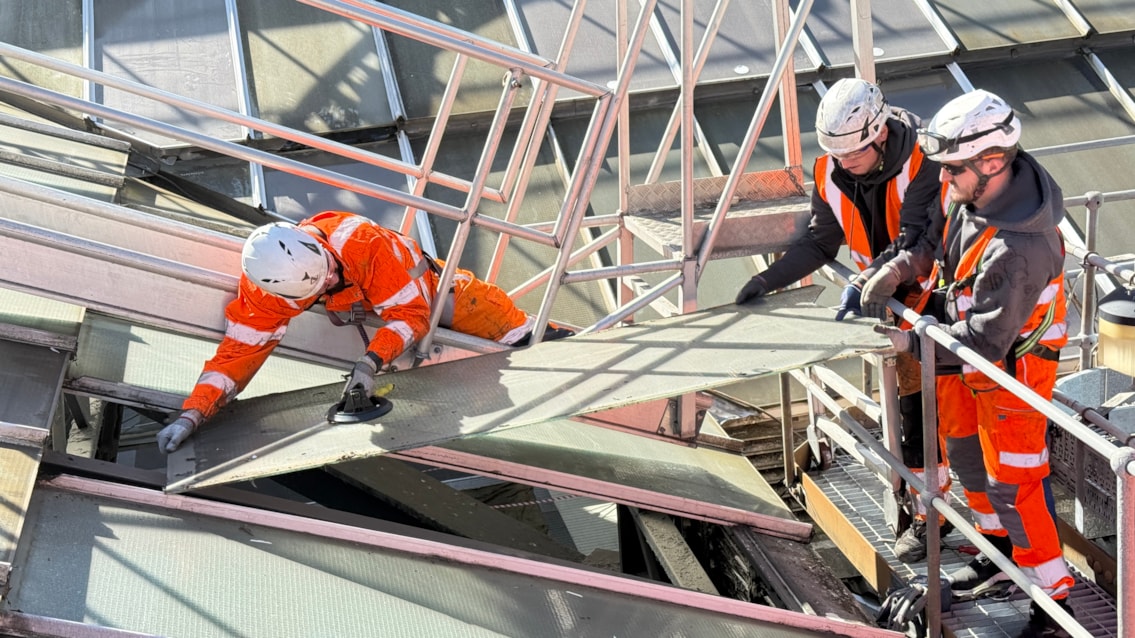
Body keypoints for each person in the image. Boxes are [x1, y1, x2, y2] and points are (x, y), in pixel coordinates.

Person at [864, 89, 1075, 637]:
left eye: (952, 169)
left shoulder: (1019, 247)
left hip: (1012, 379)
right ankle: (997, 551)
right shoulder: (977, 197)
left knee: (1016, 487)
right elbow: (941, 249)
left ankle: (1052, 606)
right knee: (966, 455)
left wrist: (908, 345)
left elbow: (986, 339)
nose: (943, 180)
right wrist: (901, 268)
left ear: (991, 162)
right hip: (974, 365)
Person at [734, 77, 947, 562]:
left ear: (881, 135)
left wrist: (870, 278)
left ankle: (928, 517)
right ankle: (924, 508)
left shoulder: (922, 162)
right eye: (837, 155)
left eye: (853, 155)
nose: (844, 164)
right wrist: (768, 280)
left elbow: (918, 241)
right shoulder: (830, 169)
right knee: (913, 410)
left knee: (925, 415)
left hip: (931, 300)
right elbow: (820, 240)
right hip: (888, 302)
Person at [157, 210, 573, 453]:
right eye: (320, 289)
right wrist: (194, 414)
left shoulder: (362, 244)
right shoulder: (270, 289)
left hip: (434, 292)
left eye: (331, 272)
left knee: (509, 330)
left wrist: (370, 361)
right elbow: (236, 354)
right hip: (382, 304)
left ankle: (562, 345)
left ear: (317, 247)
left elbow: (411, 316)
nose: (333, 279)